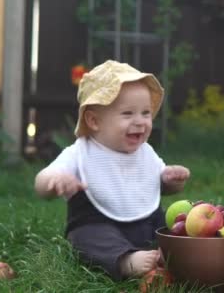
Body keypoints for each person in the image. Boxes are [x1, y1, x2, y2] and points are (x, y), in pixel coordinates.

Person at [34, 60, 190, 279]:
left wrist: (172, 179)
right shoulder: (80, 153)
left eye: (146, 113)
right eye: (128, 114)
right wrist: (54, 181)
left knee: (173, 226)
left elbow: (162, 186)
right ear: (94, 121)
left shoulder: (146, 152)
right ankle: (126, 261)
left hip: (147, 223)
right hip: (98, 225)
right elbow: (41, 182)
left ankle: (180, 253)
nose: (140, 121)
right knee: (86, 238)